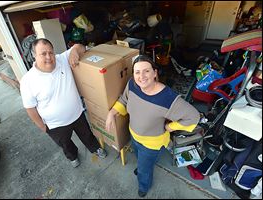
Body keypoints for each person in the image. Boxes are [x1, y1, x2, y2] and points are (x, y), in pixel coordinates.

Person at [105, 55, 200, 197]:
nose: (141, 76)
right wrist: (112, 113)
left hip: (151, 144)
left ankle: (144, 186)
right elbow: (124, 99)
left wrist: (170, 127)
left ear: (155, 73)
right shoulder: (132, 84)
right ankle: (143, 167)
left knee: (144, 169)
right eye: (137, 72)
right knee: (139, 158)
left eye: (146, 71)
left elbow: (193, 117)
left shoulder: (167, 98)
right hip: (134, 135)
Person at [20, 38, 107, 168]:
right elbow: (30, 108)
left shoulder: (62, 59)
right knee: (65, 144)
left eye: (51, 52)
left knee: (87, 135)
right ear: (34, 56)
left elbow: (81, 47)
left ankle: (95, 149)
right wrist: (42, 127)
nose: (49, 57)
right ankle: (73, 156)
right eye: (43, 54)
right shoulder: (28, 80)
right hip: (55, 125)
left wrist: (74, 51)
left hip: (77, 114)